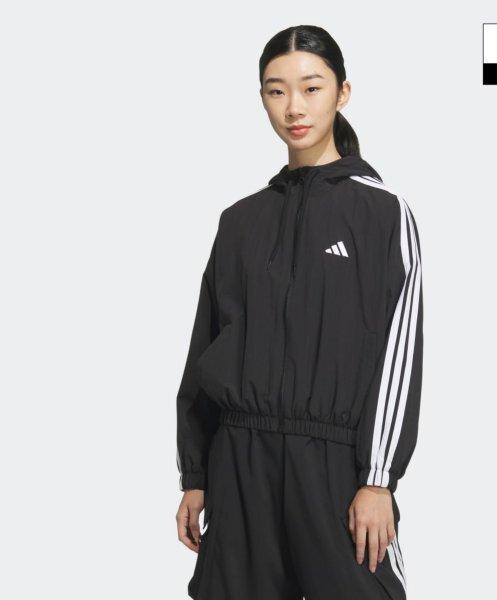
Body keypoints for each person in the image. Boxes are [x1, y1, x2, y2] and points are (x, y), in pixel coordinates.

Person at [175, 24, 424, 600]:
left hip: (334, 468)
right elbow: (205, 348)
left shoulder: (383, 214)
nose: (294, 107)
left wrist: (378, 480)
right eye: (276, 90)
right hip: (239, 466)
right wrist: (196, 474)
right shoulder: (240, 222)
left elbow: (399, 352)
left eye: (311, 88)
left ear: (342, 93)